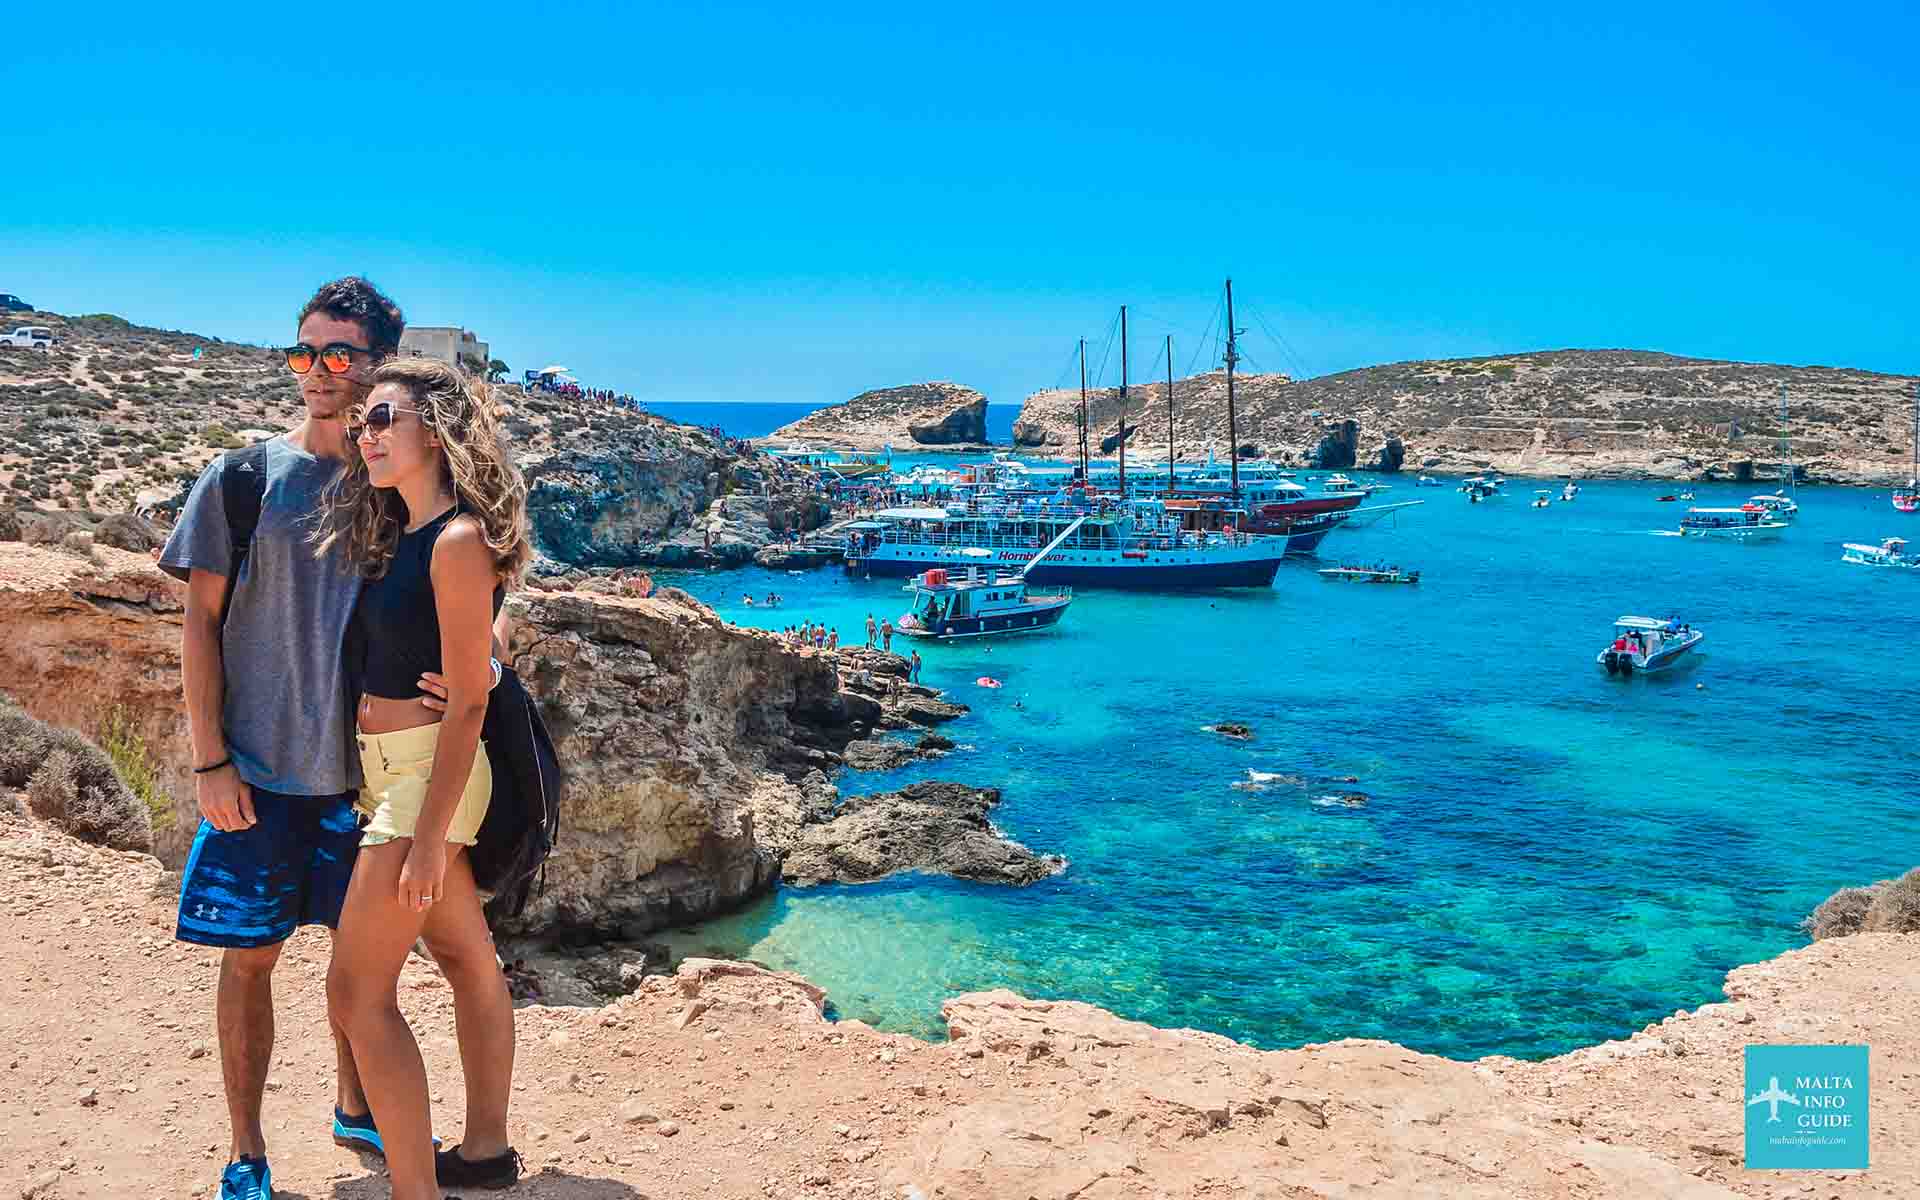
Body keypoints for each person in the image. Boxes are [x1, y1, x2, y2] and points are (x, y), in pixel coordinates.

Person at [158, 277, 404, 1200]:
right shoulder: (243, 477)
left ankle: (352, 1103)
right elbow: (198, 625)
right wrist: (209, 760)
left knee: (361, 962)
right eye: (304, 352)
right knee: (249, 961)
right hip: (256, 774)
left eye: (339, 354)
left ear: (381, 363)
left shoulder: (400, 485)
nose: (317, 372)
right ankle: (246, 1150)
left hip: (366, 779)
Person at [314, 358, 531, 1199]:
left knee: (356, 995)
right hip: (390, 777)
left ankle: (415, 1191)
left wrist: (432, 840)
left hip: (425, 783)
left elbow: (470, 705)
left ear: (435, 431)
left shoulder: (457, 538)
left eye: (382, 419)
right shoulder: (400, 533)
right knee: (464, 955)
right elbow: (481, 635)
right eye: (362, 422)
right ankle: (485, 1152)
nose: (363, 434)